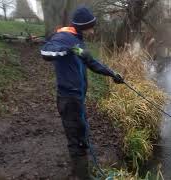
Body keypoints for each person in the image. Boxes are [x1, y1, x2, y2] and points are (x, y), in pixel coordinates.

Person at [40, 7, 124, 179]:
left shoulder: (78, 39)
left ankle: (80, 171)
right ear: (83, 25)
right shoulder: (63, 37)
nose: (93, 31)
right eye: (91, 27)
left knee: (82, 132)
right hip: (68, 98)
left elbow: (92, 63)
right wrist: (71, 50)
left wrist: (113, 74)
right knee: (77, 139)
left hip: (77, 98)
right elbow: (46, 52)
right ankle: (82, 176)